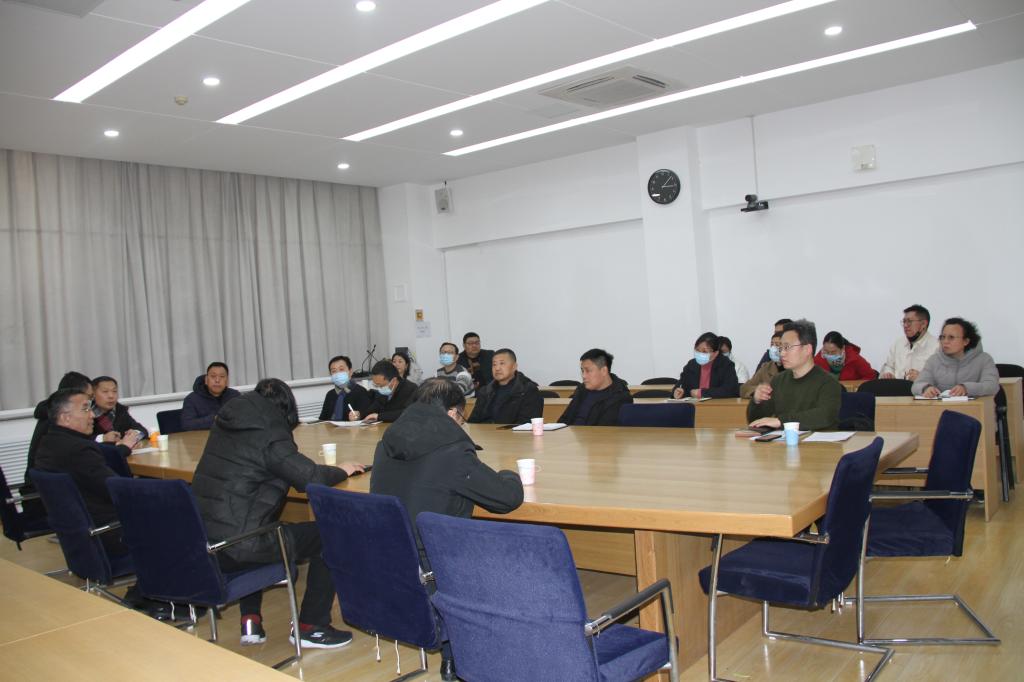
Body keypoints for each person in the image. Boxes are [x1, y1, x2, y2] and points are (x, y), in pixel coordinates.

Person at [191, 378, 365, 648]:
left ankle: (250, 620)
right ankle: (311, 626)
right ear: (286, 410)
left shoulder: (229, 422)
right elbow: (309, 478)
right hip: (239, 545)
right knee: (330, 534)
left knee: (261, 522)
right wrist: (342, 469)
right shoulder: (269, 430)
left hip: (204, 542)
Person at [371, 378, 523, 681]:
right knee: (514, 556)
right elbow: (506, 499)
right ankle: (467, 656)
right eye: (462, 418)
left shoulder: (385, 444)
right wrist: (509, 473)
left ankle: (452, 657)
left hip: (391, 560)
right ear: (453, 413)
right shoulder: (451, 451)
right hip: (436, 565)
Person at [747, 319, 841, 431]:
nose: (782, 353)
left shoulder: (829, 382)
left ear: (807, 349)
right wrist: (757, 402)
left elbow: (824, 416)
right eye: (780, 348)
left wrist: (781, 421)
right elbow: (756, 421)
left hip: (819, 441)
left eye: (787, 347)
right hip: (785, 440)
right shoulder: (778, 380)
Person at [24, 371, 93, 485]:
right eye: (89, 398)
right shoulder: (59, 421)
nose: (91, 404)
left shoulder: (52, 412)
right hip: (47, 489)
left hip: (46, 485)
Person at [912, 317, 999, 397]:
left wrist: (966, 388)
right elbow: (916, 385)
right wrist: (926, 388)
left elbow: (992, 386)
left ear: (966, 341)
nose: (945, 341)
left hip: (973, 407)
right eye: (943, 337)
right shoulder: (934, 360)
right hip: (941, 407)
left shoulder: (984, 360)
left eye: (951, 337)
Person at [467, 348, 543, 424]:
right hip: (485, 431)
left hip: (513, 431)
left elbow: (526, 424)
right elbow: (473, 421)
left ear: (514, 366)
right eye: (494, 364)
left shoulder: (528, 390)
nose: (497, 368)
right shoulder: (485, 391)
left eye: (502, 363)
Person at [559, 349, 633, 426]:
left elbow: (602, 430)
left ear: (604, 371)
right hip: (571, 432)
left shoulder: (620, 398)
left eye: (588, 371)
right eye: (582, 371)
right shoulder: (582, 390)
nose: (583, 376)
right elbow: (564, 419)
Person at [880, 304, 940, 381]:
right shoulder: (898, 343)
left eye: (909, 321)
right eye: (904, 321)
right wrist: (888, 373)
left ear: (923, 324)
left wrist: (923, 378)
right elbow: (888, 366)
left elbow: (943, 380)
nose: (905, 325)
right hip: (896, 388)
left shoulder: (937, 347)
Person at [672, 333, 740, 399]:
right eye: (697, 350)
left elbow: (731, 390)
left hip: (717, 405)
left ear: (716, 353)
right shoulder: (691, 365)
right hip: (694, 405)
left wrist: (702, 393)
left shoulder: (726, 365)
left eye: (704, 351)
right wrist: (678, 392)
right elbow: (681, 385)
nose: (700, 353)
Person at [181, 362, 240, 431]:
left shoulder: (235, 396)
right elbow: (186, 425)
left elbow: (245, 418)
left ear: (227, 381)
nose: (217, 380)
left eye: (222, 376)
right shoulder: (191, 399)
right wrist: (214, 419)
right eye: (213, 376)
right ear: (206, 380)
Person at [90, 376, 149, 443]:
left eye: (114, 391)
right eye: (105, 391)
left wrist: (136, 434)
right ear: (93, 394)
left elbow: (144, 431)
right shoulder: (86, 412)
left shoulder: (120, 410)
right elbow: (81, 439)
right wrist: (102, 438)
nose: (111, 396)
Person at [318, 355, 371, 421]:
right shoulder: (330, 394)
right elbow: (322, 419)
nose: (337, 374)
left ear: (350, 372)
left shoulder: (360, 391)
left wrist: (358, 416)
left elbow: (366, 416)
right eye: (334, 371)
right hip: (331, 427)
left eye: (341, 369)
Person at [741, 332, 783, 399]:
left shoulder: (793, 367)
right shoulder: (766, 367)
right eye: (772, 344)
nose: (773, 348)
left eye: (777, 345)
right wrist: (758, 390)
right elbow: (743, 389)